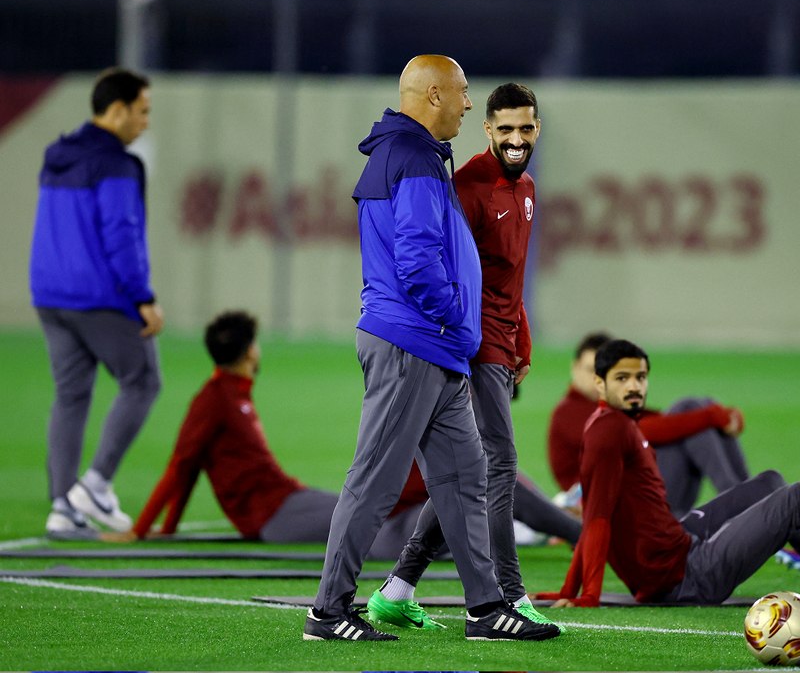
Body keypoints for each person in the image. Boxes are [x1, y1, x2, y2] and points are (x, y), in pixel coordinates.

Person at [303, 56, 559, 643]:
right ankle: (328, 611)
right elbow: (417, 260)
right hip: (413, 342)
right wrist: (455, 316)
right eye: (463, 93)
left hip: (434, 348)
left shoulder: (409, 153)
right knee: (375, 481)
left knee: (466, 476)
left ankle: (485, 609)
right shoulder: (415, 157)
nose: (468, 103)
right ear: (435, 95)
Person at [126, 310, 580, 552]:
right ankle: (564, 530)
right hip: (280, 514)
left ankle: (543, 526)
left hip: (295, 499)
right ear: (248, 351)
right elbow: (182, 465)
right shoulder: (214, 401)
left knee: (484, 482)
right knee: (480, 482)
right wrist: (153, 531)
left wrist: (165, 529)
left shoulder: (232, 396)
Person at [535, 339, 800, 612]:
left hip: (681, 545)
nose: (635, 386)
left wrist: (570, 589)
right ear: (600, 384)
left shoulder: (616, 423)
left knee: (769, 483)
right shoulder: (607, 433)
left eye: (640, 377)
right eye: (622, 379)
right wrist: (585, 595)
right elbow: (597, 519)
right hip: (687, 578)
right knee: (795, 498)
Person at [368, 83, 562, 632]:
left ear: (538, 129)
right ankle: (509, 596)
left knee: (469, 471)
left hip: (501, 341)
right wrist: (472, 340)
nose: (517, 139)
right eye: (506, 129)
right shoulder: (470, 187)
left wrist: (522, 338)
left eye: (526, 128)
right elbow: (454, 269)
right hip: (474, 343)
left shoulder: (526, 188)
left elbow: (509, 277)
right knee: (498, 464)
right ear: (488, 130)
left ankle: (398, 588)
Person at [29, 67, 164, 540]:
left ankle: (62, 507)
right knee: (142, 380)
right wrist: (143, 297)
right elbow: (121, 234)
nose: (145, 121)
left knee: (70, 395)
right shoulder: (115, 165)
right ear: (117, 110)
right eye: (142, 111)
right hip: (98, 296)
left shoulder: (58, 155)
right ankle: (96, 485)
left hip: (50, 294)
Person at [548, 331, 748, 518]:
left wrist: (721, 415)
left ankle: (744, 495)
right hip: (617, 510)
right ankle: (740, 498)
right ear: (575, 368)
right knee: (690, 412)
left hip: (635, 497)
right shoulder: (569, 412)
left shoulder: (610, 405)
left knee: (692, 409)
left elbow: (662, 421)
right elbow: (637, 431)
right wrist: (712, 416)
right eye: (590, 370)